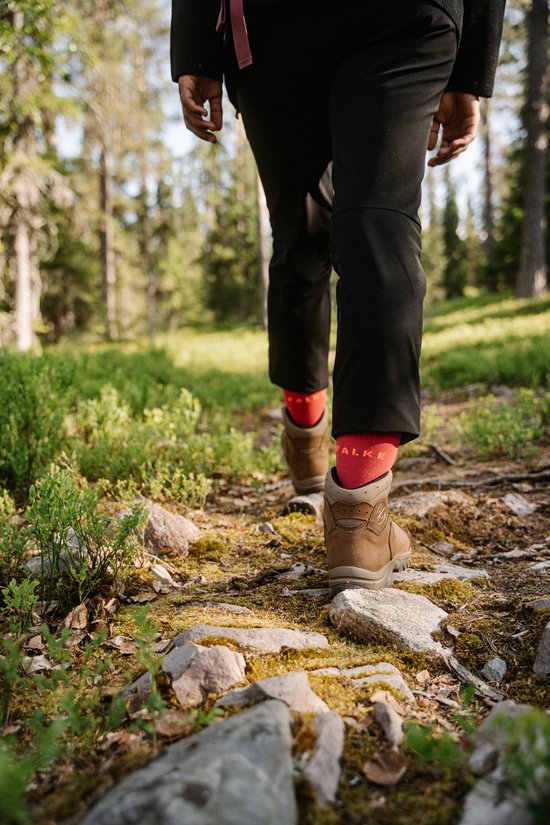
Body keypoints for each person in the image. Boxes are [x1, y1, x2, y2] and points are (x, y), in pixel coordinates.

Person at [171, 0, 506, 594]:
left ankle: (307, 440)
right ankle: (358, 509)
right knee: (378, 224)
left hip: (274, 32)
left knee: (300, 236)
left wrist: (195, 48)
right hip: (405, 16)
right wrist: (472, 70)